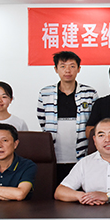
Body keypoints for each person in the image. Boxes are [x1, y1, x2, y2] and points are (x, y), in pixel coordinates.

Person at [37, 51, 98, 184]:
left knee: (82, 187)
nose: (67, 70)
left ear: (79, 69)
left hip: (82, 151)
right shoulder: (45, 93)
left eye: (72, 66)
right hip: (55, 151)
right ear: (56, 69)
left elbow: (94, 121)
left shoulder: (90, 93)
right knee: (55, 186)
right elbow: (42, 120)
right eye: (63, 66)